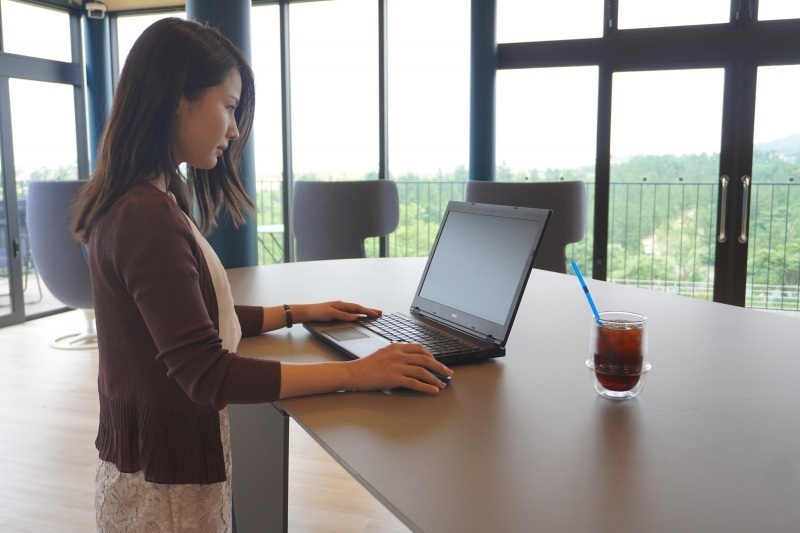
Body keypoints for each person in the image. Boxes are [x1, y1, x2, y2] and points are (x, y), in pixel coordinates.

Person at [72, 17, 452, 532]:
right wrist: (355, 374)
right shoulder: (145, 217)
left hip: (150, 462)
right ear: (176, 99)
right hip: (164, 483)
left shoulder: (145, 198)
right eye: (228, 107)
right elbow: (204, 371)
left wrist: (296, 313)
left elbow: (187, 320)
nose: (233, 129)